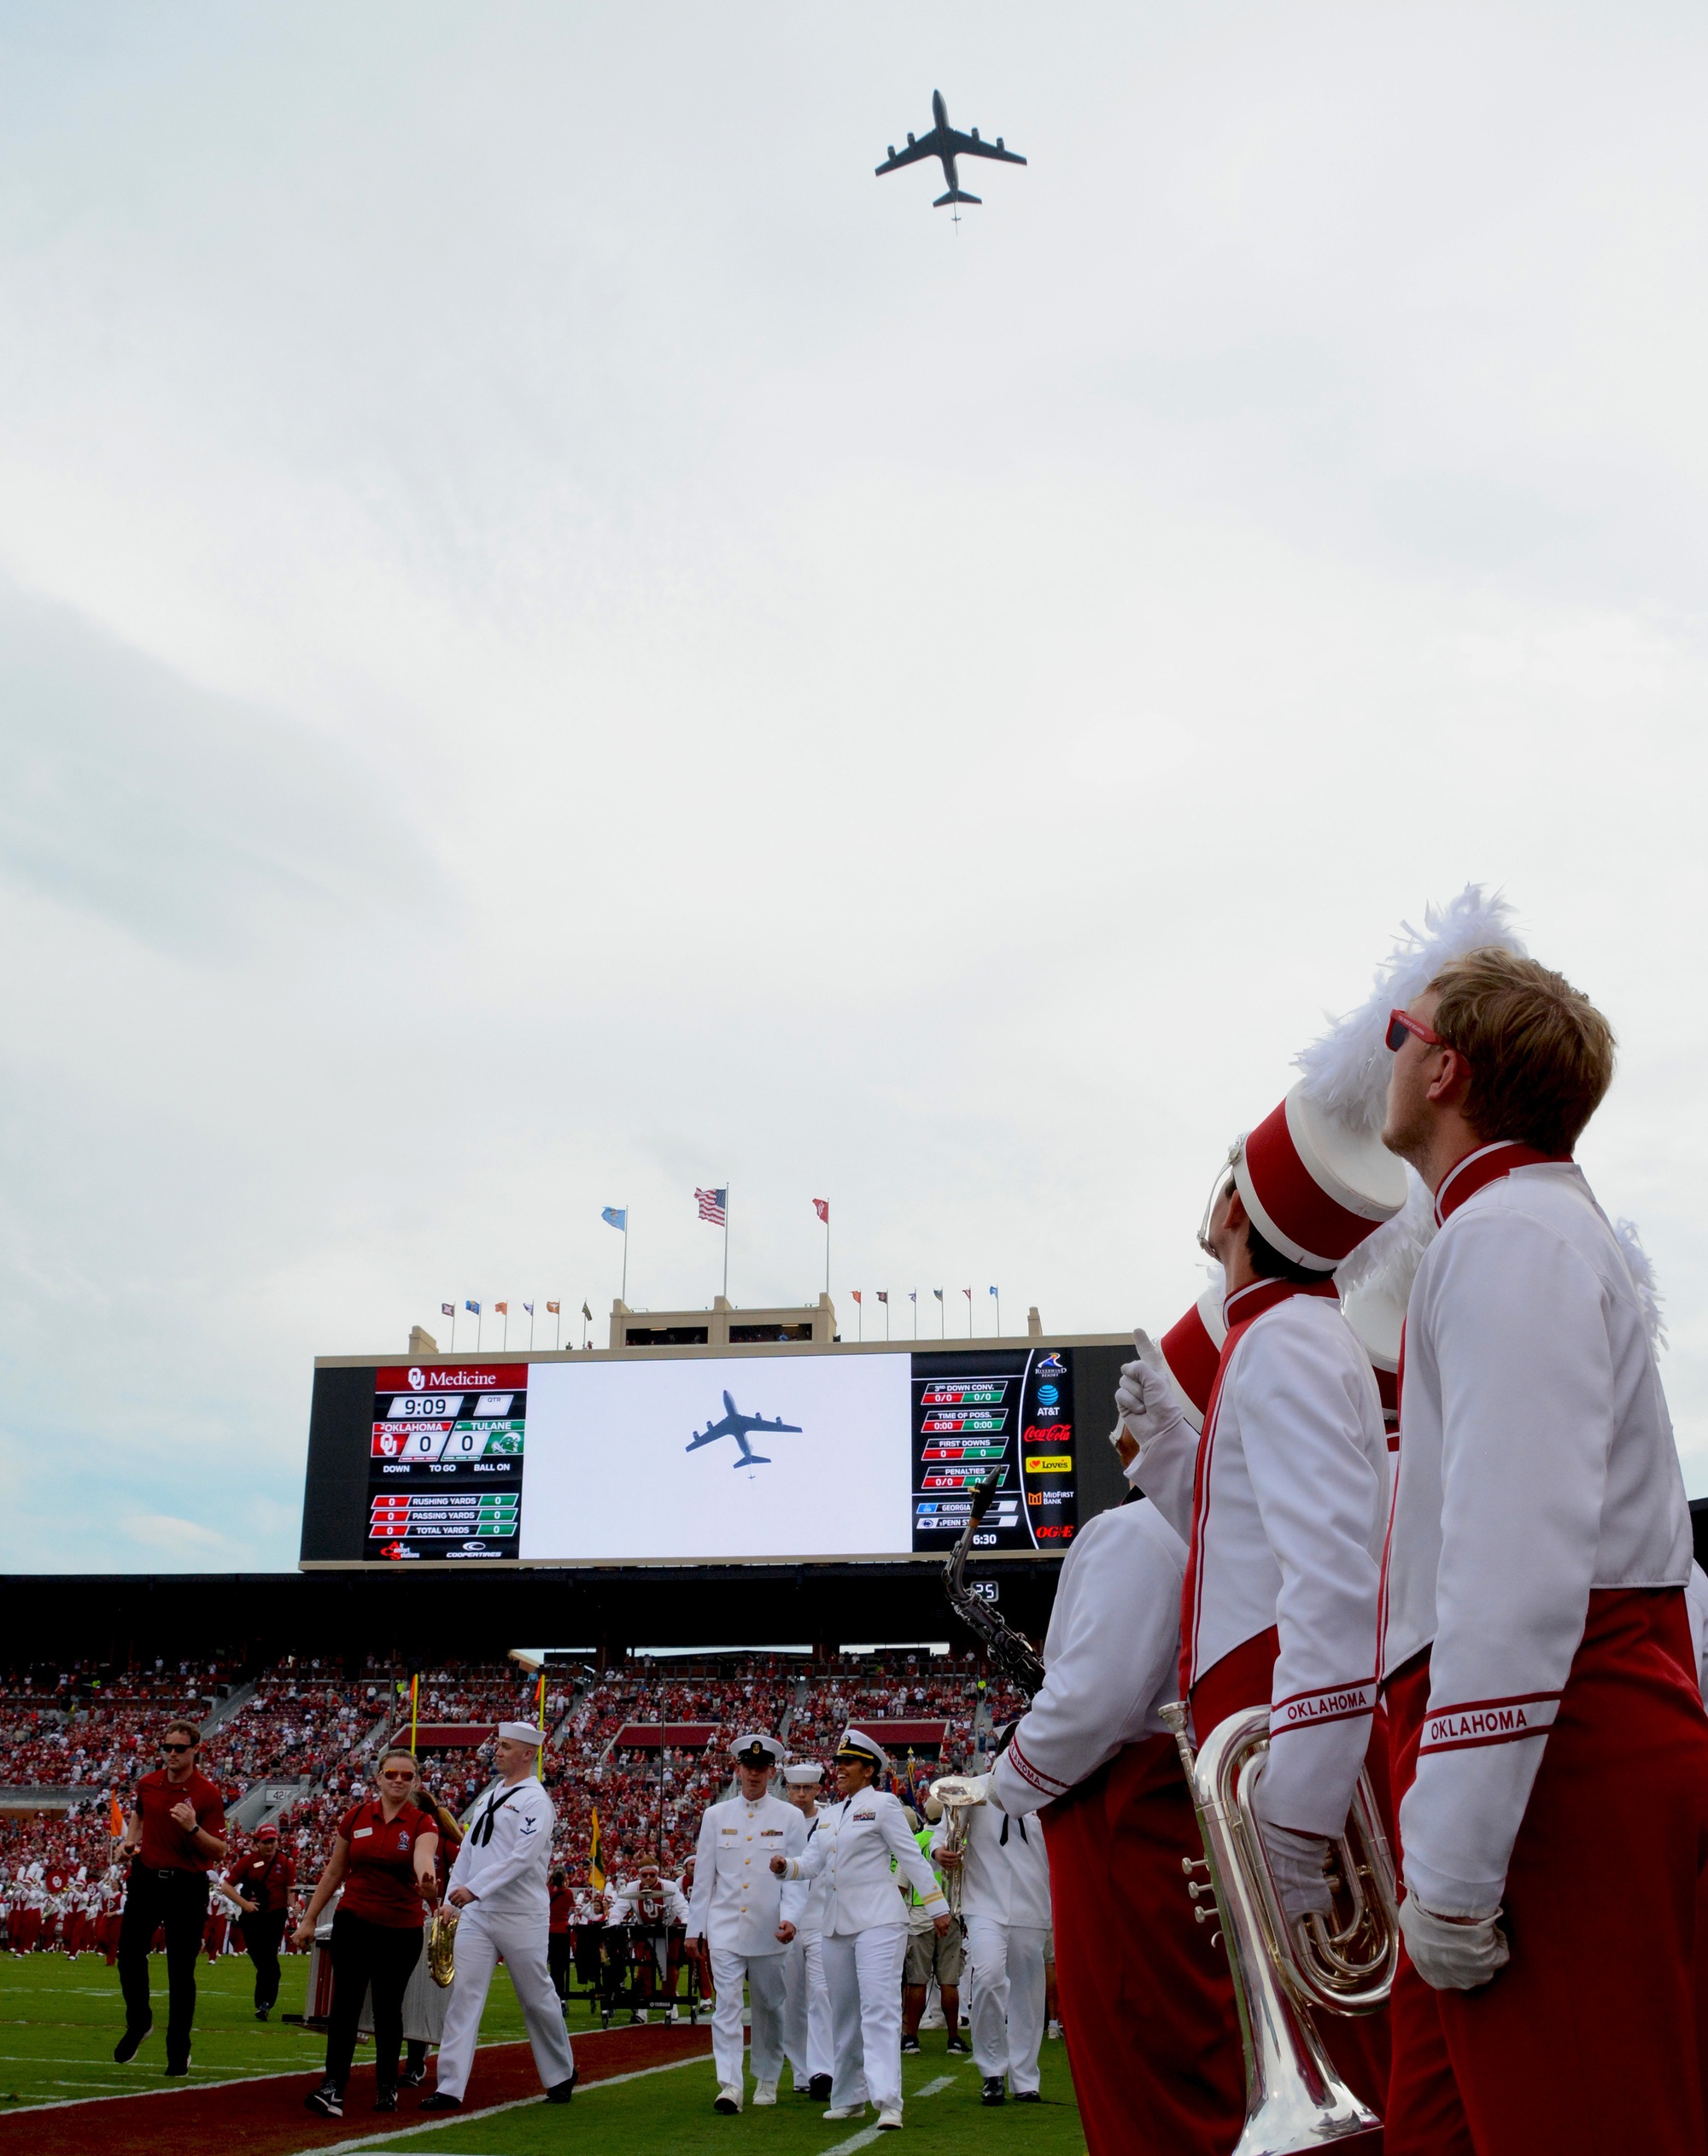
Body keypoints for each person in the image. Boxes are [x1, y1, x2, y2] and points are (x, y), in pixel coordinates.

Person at [1378, 944, 1708, 2153]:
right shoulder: (1513, 1227)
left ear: (1447, 1066)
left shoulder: (1512, 1233)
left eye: (1397, 1036)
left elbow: (1512, 1577)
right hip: (1532, 1766)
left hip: (1550, 1772)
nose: (1389, 1055)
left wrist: (1457, 1866)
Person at [1120, 1002, 1409, 2115]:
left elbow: (1330, 1582)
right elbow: (1255, 1551)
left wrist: (1290, 1825)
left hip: (1295, 1755)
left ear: (1239, 1203)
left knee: (1365, 2082)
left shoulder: (1283, 1340)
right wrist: (1177, 1464)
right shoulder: (1281, 1333)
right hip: (1283, 1731)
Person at [987, 1454, 1242, 2155]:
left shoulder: (1134, 1528)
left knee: (1136, 2074)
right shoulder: (1223, 1527)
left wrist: (1006, 1777)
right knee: (1195, 2063)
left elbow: (1095, 1702)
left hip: (1120, 1818)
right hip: (1179, 1807)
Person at [773, 1729, 951, 2132]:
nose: (838, 1771)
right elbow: (813, 1863)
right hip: (835, 1924)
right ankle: (849, 2097)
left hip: (879, 1920)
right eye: (837, 1764)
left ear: (868, 1770)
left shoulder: (885, 1805)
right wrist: (788, 1867)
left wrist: (937, 1906)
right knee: (845, 2015)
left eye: (846, 1764)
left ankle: (888, 2101)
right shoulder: (831, 1815)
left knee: (880, 2009)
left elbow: (912, 1857)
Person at [422, 1722, 577, 2113]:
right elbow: (469, 1852)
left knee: (536, 1996)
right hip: (478, 1913)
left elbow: (523, 1858)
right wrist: (451, 1900)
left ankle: (560, 2072)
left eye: (507, 1747)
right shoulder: (490, 1796)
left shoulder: (536, 1801)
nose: (499, 1751)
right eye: (499, 1745)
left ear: (528, 1754)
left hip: (520, 1914)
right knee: (464, 1996)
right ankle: (450, 2086)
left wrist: (475, 1888)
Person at [295, 1748, 439, 2119]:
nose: (398, 1781)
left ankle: (387, 2088)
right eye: (392, 1773)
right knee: (344, 2006)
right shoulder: (356, 1816)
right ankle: (333, 2086)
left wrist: (428, 1883)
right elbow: (333, 1872)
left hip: (400, 1928)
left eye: (407, 1776)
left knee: (388, 2009)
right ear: (378, 1778)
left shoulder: (423, 1823)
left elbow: (424, 1857)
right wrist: (309, 1920)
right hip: (354, 1921)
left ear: (416, 1782)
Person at [687, 1732, 806, 2112]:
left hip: (770, 1929)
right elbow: (703, 1878)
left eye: (761, 1769)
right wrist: (695, 1929)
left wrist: (791, 1919)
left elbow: (798, 1878)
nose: (753, 1775)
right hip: (724, 1928)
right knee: (727, 2007)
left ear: (772, 1772)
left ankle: (768, 2078)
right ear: (737, 1769)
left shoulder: (789, 1817)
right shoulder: (716, 1816)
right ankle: (730, 2085)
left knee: (771, 2006)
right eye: (748, 1768)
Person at [930, 1762, 1050, 2105]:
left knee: (1028, 1995)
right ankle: (993, 2071)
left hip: (1032, 1903)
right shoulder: (975, 1789)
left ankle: (1026, 2078)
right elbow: (943, 1832)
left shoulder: (1048, 1788)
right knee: (987, 1976)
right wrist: (940, 1852)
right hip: (983, 1902)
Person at [114, 1719, 228, 2077]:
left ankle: (178, 2049)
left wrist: (193, 1827)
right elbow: (139, 1813)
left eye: (180, 1748)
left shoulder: (207, 1793)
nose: (173, 1754)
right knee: (128, 1953)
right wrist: (129, 1841)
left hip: (187, 1884)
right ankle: (140, 2021)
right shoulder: (148, 1783)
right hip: (147, 1878)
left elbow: (221, 1850)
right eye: (167, 1748)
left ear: (196, 1750)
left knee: (181, 1971)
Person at [779, 1762, 834, 2100]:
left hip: (821, 1918)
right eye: (795, 1789)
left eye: (807, 1789)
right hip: (786, 1920)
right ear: (788, 1789)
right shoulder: (778, 1821)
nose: (801, 1795)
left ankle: (822, 2069)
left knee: (822, 1995)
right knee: (790, 1999)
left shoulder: (830, 1820)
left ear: (817, 1790)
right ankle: (801, 2070)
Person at [899, 1814, 963, 2056]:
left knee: (917, 1980)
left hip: (919, 1914)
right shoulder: (956, 1841)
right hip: (950, 1912)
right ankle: (953, 2039)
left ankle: (911, 2038)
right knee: (949, 1980)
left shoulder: (915, 1840)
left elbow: (902, 1883)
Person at [605, 1855, 691, 2022]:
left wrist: (686, 1923)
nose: (648, 1879)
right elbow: (618, 1909)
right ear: (639, 1875)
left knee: (669, 1969)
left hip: (668, 1930)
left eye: (652, 1875)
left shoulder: (669, 1886)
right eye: (645, 1875)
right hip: (645, 1931)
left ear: (657, 1874)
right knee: (645, 1970)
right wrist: (614, 1922)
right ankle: (643, 2009)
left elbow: (683, 1908)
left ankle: (671, 2001)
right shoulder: (632, 1887)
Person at [226, 1822, 295, 2020]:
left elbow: (290, 1891)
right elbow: (227, 1886)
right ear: (257, 1843)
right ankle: (263, 2002)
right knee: (261, 1959)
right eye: (265, 1842)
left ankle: (264, 2003)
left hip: (275, 1915)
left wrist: (293, 1907)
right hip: (253, 1915)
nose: (270, 1846)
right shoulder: (249, 1861)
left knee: (269, 1961)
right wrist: (244, 1904)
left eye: (272, 1841)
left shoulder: (286, 1863)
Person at [548, 1867, 574, 2005]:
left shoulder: (547, 1891)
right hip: (562, 1932)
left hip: (548, 1931)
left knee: (550, 1966)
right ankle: (560, 1995)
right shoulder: (568, 1893)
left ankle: (550, 1995)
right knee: (560, 1968)